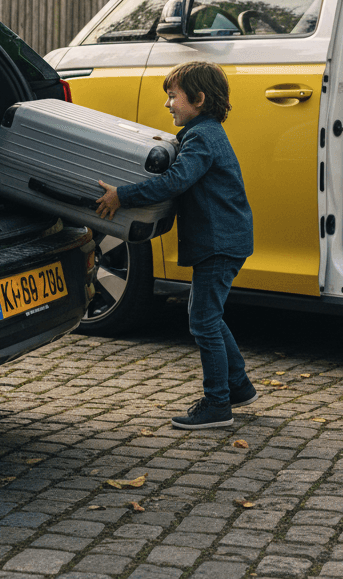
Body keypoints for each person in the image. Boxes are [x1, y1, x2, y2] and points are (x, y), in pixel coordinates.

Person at [95, 60, 255, 430]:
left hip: (219, 241)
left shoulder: (202, 137)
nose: (168, 104)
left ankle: (218, 404)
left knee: (203, 321)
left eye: (173, 96)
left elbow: (175, 181)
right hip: (226, 239)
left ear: (198, 98)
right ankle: (239, 386)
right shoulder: (203, 132)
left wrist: (123, 196)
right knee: (209, 316)